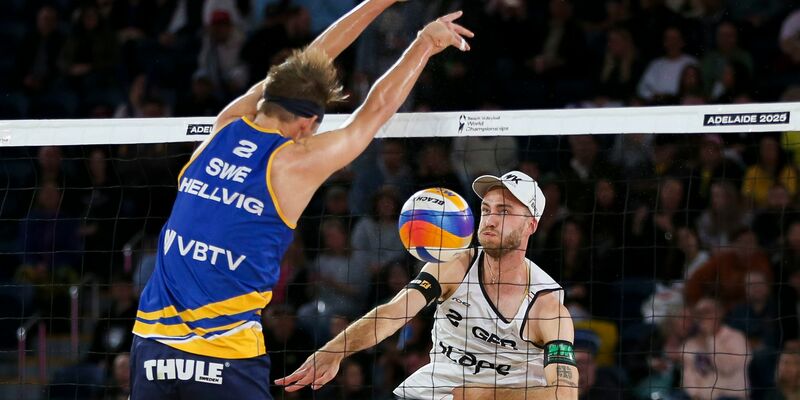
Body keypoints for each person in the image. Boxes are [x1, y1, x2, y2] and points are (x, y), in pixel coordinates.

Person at [128, 0, 474, 398]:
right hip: (225, 355)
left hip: (152, 345)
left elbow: (306, 62)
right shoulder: (294, 163)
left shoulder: (223, 128)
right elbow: (374, 112)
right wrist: (424, 43)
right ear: (309, 122)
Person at [276, 171, 579, 399]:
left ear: (531, 225)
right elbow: (393, 313)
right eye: (486, 209)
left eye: (504, 211)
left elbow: (564, 394)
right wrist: (334, 351)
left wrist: (484, 394)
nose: (489, 219)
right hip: (432, 390)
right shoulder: (454, 265)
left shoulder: (546, 307)